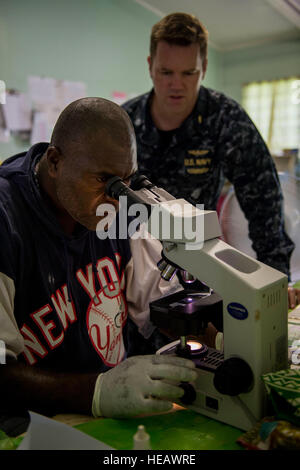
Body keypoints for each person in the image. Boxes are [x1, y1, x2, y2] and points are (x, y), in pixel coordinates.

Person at [0, 97, 198, 421]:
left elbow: (165, 302)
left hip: (109, 420)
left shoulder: (117, 204)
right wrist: (97, 392)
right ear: (55, 162)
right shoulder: (7, 221)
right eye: (102, 180)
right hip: (31, 427)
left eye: (126, 180)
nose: (117, 199)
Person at [122, 12, 299, 308]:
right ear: (151, 66)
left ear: (203, 67)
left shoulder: (226, 120)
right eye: (167, 72)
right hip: (130, 272)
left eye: (188, 72)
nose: (176, 84)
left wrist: (274, 285)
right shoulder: (124, 123)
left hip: (199, 273)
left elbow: (265, 208)